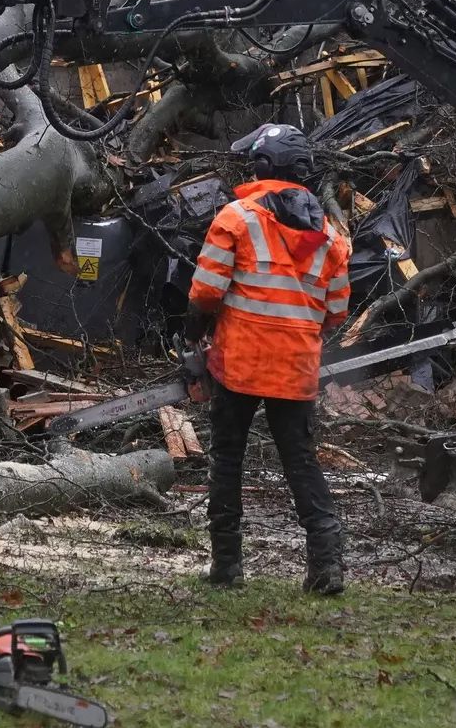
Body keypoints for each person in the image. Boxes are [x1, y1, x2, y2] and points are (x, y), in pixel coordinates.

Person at [187, 123, 353, 594]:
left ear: (262, 166)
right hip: (296, 368)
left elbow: (205, 292)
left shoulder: (237, 218)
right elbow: (337, 312)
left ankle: (227, 567)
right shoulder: (332, 237)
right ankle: (327, 565)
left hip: (240, 363)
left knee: (228, 461)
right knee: (301, 461)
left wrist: (193, 335)